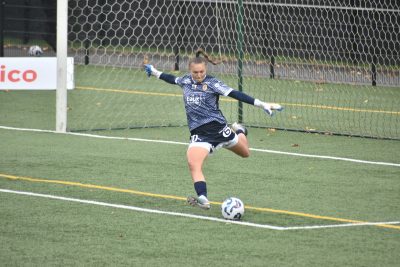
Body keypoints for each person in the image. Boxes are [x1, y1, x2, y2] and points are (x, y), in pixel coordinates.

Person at [144, 51, 282, 210]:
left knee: (245, 153)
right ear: (190, 71)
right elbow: (171, 79)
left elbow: (236, 94)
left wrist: (262, 104)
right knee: (193, 163)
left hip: (219, 130)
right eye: (195, 72)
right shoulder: (185, 80)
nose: (199, 75)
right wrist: (154, 71)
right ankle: (203, 198)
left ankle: (240, 130)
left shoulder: (213, 83)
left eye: (202, 71)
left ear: (206, 70)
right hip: (200, 134)